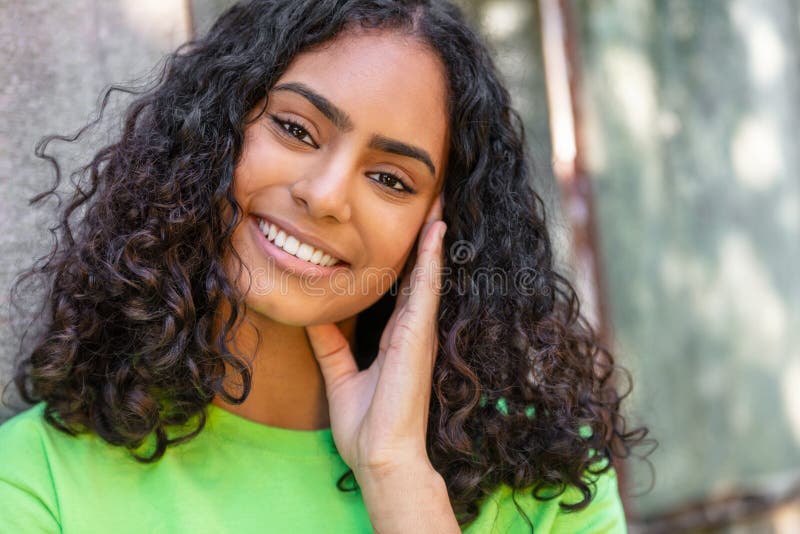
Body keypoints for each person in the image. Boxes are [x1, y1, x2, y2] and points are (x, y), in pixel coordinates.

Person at [0, 0, 651, 532]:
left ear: (442, 229)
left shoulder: (540, 479)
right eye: (297, 129)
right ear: (214, 132)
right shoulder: (37, 482)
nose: (326, 193)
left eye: (392, 179)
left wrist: (396, 475)